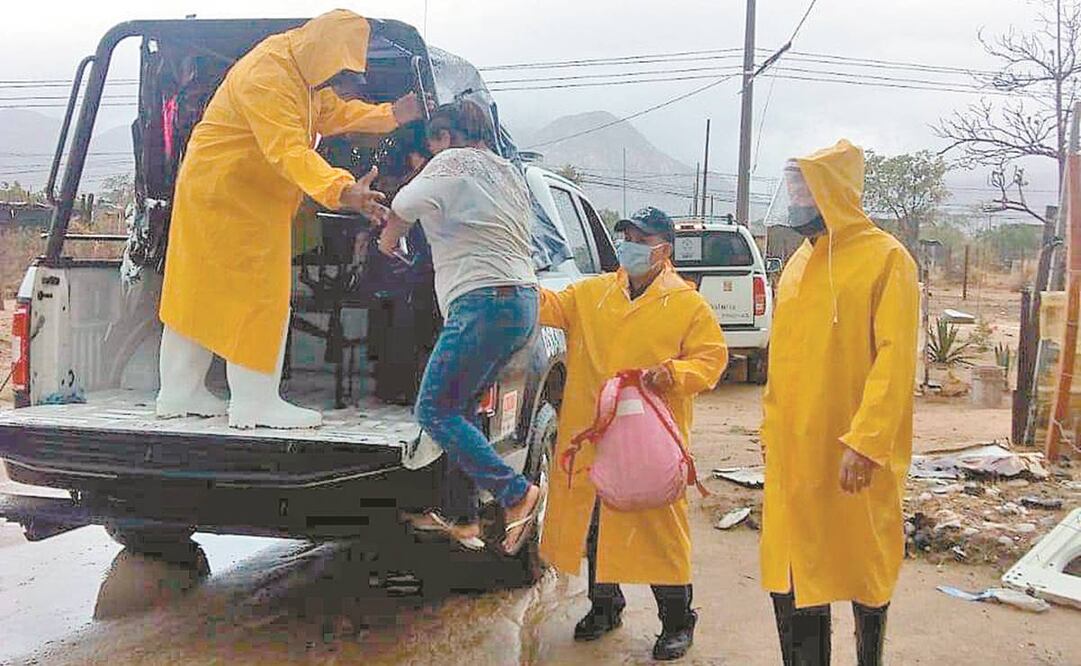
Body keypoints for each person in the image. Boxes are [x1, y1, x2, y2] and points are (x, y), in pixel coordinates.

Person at [157, 9, 426, 429]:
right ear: (320, 48)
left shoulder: (299, 72)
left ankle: (177, 391)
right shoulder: (269, 73)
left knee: (198, 289)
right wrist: (342, 190)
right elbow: (289, 150)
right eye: (337, 67)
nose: (338, 78)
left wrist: (391, 115)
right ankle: (254, 401)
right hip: (235, 197)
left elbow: (332, 113)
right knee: (259, 295)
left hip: (220, 190)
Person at [538, 207, 728, 661]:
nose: (631, 246)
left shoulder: (686, 303)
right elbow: (546, 304)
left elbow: (711, 360)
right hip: (594, 431)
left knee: (660, 527)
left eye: (641, 239)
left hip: (648, 441)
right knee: (595, 524)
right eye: (626, 237)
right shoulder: (594, 293)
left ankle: (678, 620)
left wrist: (675, 373)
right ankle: (605, 606)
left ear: (663, 249)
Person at [759, 140, 919, 666]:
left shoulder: (886, 259)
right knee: (795, 576)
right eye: (793, 185)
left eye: (806, 185)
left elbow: (894, 362)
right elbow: (782, 363)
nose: (797, 197)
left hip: (851, 453)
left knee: (861, 570)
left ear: (836, 189)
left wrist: (868, 442)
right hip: (794, 454)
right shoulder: (799, 264)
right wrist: (771, 434)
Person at [378, 100, 543, 555]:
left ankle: (515, 493)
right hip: (521, 300)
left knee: (434, 409)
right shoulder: (509, 171)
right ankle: (464, 517)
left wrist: (387, 239)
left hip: (483, 301)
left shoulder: (451, 161)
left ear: (446, 137)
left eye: (433, 141)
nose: (430, 152)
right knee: (462, 405)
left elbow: (402, 204)